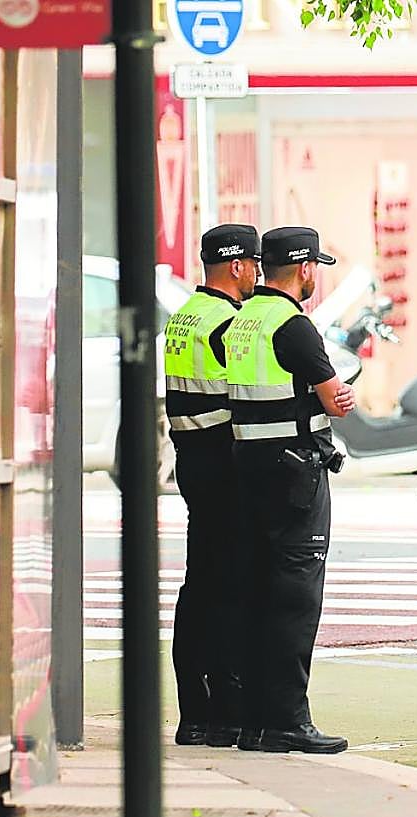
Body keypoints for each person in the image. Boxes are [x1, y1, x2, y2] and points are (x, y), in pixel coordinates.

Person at [225, 226, 356, 754]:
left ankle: (254, 721)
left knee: (257, 593)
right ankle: (287, 721)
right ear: (304, 269)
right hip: (294, 473)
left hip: (246, 467)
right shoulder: (293, 326)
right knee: (296, 599)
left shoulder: (243, 321)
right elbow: (334, 399)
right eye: (314, 268)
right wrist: (338, 397)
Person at [164, 223, 261, 747]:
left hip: (191, 458)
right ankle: (224, 711)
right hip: (224, 461)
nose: (257, 277)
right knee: (227, 588)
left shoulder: (184, 317)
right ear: (239, 266)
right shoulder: (229, 323)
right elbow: (244, 393)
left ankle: (193, 713)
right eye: (255, 266)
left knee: (198, 586)